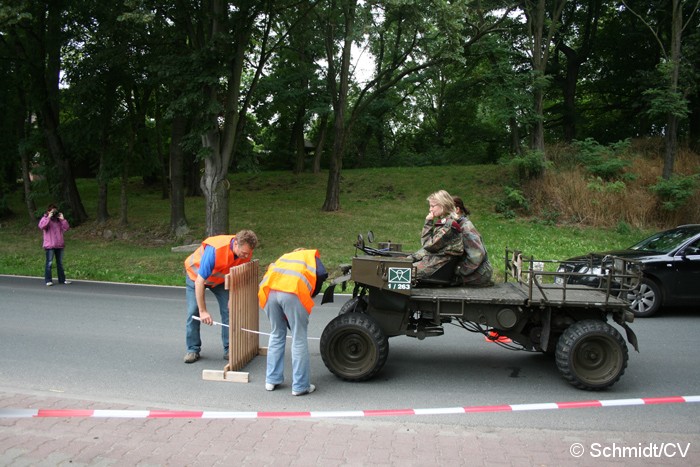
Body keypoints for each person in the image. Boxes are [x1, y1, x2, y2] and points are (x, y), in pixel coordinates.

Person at [258, 249, 328, 396]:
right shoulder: (311, 256)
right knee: (299, 338)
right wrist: (312, 293)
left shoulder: (285, 256)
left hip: (269, 291)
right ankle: (300, 386)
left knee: (276, 333)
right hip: (292, 292)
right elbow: (322, 274)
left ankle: (271, 380)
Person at [183, 229, 258, 364]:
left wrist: (233, 296)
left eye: (248, 253)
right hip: (196, 277)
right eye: (244, 252)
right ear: (236, 244)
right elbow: (200, 281)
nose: (246, 256)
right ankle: (192, 349)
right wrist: (203, 311)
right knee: (193, 311)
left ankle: (229, 348)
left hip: (218, 280)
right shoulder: (215, 250)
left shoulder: (246, 252)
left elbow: (237, 275)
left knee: (229, 310)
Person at [410, 190, 464, 281]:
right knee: (399, 267)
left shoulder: (449, 225)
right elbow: (428, 250)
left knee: (401, 271)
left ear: (442, 205)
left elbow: (427, 245)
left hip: (440, 266)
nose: (430, 209)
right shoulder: (445, 222)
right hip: (435, 261)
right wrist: (410, 258)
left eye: (432, 206)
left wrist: (428, 223)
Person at [452, 196, 493, 286]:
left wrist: (459, 271)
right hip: (474, 270)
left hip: (480, 273)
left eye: (447, 210)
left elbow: (477, 255)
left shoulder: (466, 228)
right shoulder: (457, 225)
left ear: (457, 210)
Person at [38, 203, 70, 286]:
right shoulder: (45, 219)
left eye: (55, 211)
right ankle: (48, 280)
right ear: (48, 211)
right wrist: (48, 217)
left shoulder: (58, 220)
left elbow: (66, 228)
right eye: (52, 211)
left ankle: (62, 280)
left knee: (60, 263)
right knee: (49, 263)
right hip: (50, 245)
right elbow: (42, 226)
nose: (54, 213)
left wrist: (63, 219)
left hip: (59, 245)